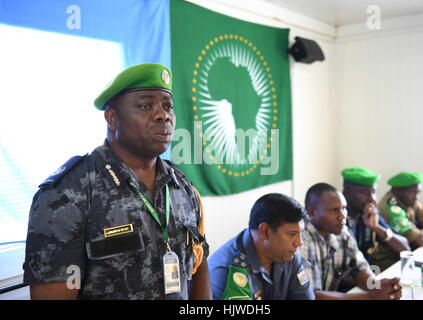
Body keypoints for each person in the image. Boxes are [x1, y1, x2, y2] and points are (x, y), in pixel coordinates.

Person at [23, 63, 211, 300]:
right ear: (112, 118)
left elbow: (200, 264)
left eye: (167, 106)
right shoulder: (67, 194)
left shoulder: (183, 188)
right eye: (145, 106)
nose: (163, 115)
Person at [298, 183, 402, 300]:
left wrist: (376, 286)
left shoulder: (341, 231)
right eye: (334, 210)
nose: (342, 216)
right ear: (311, 213)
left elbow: (358, 267)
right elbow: (310, 295)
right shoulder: (300, 240)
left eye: (343, 209)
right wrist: (370, 297)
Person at [208, 193, 314, 300]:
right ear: (265, 231)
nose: (299, 243)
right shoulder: (225, 268)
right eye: (292, 234)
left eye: (300, 233)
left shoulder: (290, 255)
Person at [341, 167, 410, 272]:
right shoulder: (338, 218)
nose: (372, 198)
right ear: (347, 192)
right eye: (365, 193)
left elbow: (405, 248)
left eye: (374, 192)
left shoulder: (368, 214)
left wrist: (376, 227)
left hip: (366, 277)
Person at [378, 171, 423, 250]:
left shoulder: (409, 201)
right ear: (397, 190)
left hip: (411, 253)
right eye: (413, 192)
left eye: (418, 193)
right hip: (392, 259)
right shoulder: (392, 208)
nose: (416, 197)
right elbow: (421, 241)